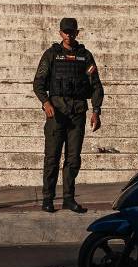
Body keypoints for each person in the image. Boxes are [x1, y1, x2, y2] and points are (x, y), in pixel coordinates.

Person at [33, 17, 102, 213]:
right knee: (52, 158)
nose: (69, 35)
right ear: (60, 33)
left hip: (77, 113)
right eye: (65, 32)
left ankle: (69, 198)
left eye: (72, 32)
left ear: (77, 33)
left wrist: (96, 111)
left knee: (73, 159)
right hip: (57, 113)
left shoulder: (85, 56)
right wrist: (46, 103)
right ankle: (48, 198)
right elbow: (38, 83)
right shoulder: (51, 55)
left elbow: (96, 86)